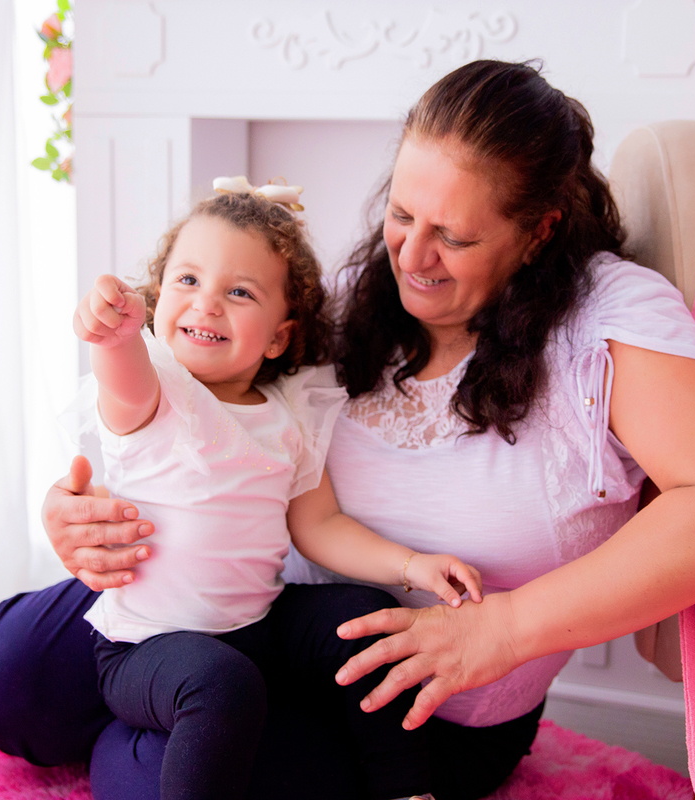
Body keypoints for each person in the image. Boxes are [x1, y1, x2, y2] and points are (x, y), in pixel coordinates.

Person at [0, 60, 695, 800]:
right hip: (233, 608)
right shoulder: (354, 296)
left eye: (455, 235)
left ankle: (151, 727)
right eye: (403, 214)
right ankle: (154, 707)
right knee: (5, 678)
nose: (413, 255)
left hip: (401, 701)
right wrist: (81, 508)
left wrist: (502, 630)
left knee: (150, 767)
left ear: (538, 229)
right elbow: (196, 415)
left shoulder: (605, 316)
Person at [66, 187, 482, 800]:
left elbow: (319, 526)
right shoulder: (155, 397)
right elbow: (122, 382)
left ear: (279, 339)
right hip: (147, 650)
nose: (206, 303)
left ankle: (406, 790)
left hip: (257, 624)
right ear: (156, 304)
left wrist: (412, 566)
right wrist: (115, 335)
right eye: (187, 280)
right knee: (221, 685)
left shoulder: (287, 416)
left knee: (367, 619)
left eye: (239, 293)